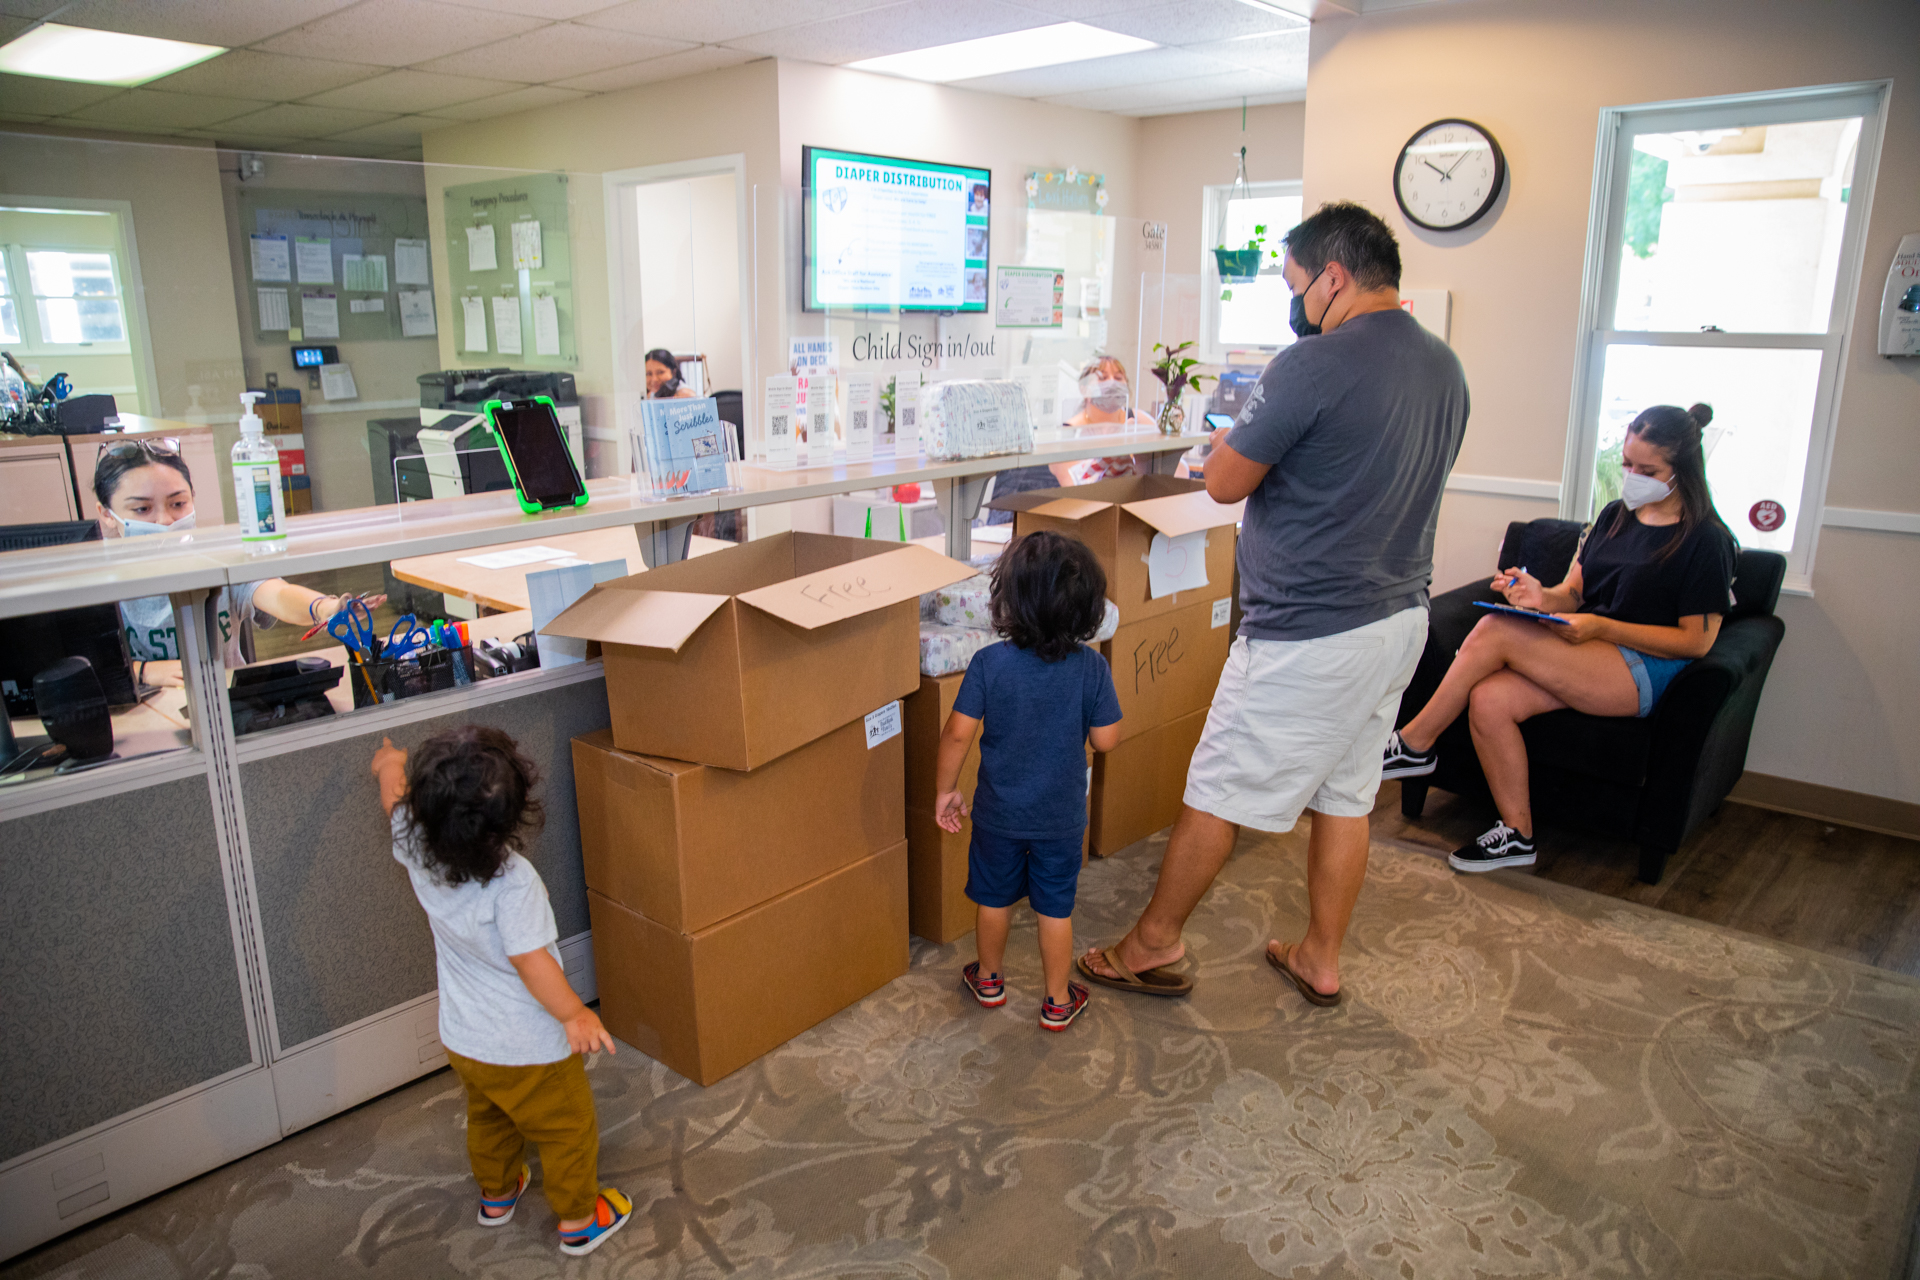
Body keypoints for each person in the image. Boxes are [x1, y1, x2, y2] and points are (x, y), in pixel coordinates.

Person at [1079, 201, 1469, 1006]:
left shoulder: (1313, 364)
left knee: (1217, 788)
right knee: (1347, 794)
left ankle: (1150, 945)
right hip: (1399, 617)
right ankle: (1320, 957)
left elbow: (1223, 483)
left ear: (1333, 277)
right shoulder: (1443, 365)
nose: (1295, 305)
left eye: (1295, 284)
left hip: (1310, 630)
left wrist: (1231, 445)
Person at [1383, 403, 1736, 872]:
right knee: (1489, 700)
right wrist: (1537, 595)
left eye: (1646, 469)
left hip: (1642, 669)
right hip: (1589, 651)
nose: (1632, 475)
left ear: (1682, 471)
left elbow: (1696, 642)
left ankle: (1414, 742)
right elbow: (1572, 594)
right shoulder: (1616, 516)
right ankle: (1516, 834)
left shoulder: (1705, 539)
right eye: (1627, 464)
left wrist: (1602, 626)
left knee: (1493, 630)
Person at [372, 728, 633, 1257]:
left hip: (467, 1040)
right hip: (529, 1046)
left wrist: (387, 762)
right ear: (513, 817)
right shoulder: (513, 883)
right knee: (568, 1127)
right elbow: (533, 964)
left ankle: (497, 1194)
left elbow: (392, 796)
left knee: (489, 1116)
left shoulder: (415, 845)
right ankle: (581, 1218)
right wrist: (575, 1014)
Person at [934, 531, 1123, 1031]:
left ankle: (990, 979)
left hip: (998, 814)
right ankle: (1058, 1001)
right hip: (1060, 819)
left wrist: (945, 790)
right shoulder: (1092, 668)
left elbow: (956, 735)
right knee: (1054, 908)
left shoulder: (988, 663)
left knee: (994, 898)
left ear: (1007, 600)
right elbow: (1106, 741)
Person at [92, 438, 381, 679]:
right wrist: (143, 671)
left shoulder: (216, 561)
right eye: (142, 509)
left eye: (178, 504)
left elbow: (277, 594)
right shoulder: (93, 581)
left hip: (230, 707)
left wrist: (326, 607)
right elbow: (81, 669)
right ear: (106, 513)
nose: (165, 520)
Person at [1053, 355, 1147, 487]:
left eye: (1118, 378)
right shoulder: (1069, 433)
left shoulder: (1140, 421)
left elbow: (1176, 470)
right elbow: (1071, 488)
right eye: (1102, 378)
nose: (1112, 383)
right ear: (1083, 389)